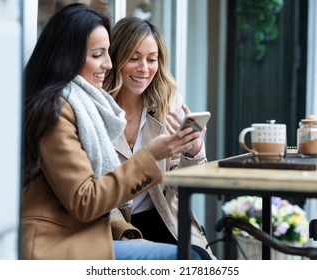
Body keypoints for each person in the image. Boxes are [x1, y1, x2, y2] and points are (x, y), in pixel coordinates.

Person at [22, 3, 203, 260]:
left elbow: (177, 186)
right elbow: (87, 200)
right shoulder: (58, 109)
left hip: (109, 229)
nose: (107, 64)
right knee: (192, 260)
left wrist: (192, 153)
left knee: (199, 256)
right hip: (63, 243)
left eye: (152, 59)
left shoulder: (85, 104)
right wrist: (149, 157)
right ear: (66, 55)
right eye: (98, 55)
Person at [103, 16, 216, 259]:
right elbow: (96, 191)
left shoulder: (168, 101)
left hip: (165, 217)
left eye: (151, 59)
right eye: (134, 58)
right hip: (113, 225)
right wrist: (125, 232)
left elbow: (184, 186)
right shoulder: (98, 108)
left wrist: (192, 152)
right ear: (115, 58)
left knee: (200, 261)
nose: (144, 68)